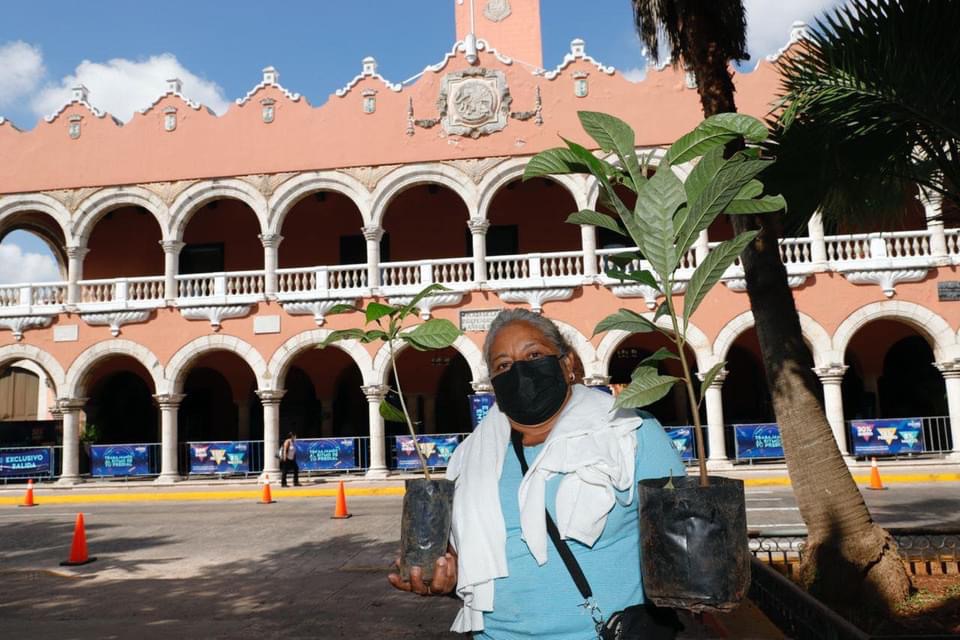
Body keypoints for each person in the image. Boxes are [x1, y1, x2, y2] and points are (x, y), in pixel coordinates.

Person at [388, 308, 685, 638]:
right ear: (494, 384)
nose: (520, 371)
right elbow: (464, 557)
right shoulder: (469, 457)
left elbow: (683, 542)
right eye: (503, 365)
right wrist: (444, 578)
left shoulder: (631, 432)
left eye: (533, 354)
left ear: (568, 364)